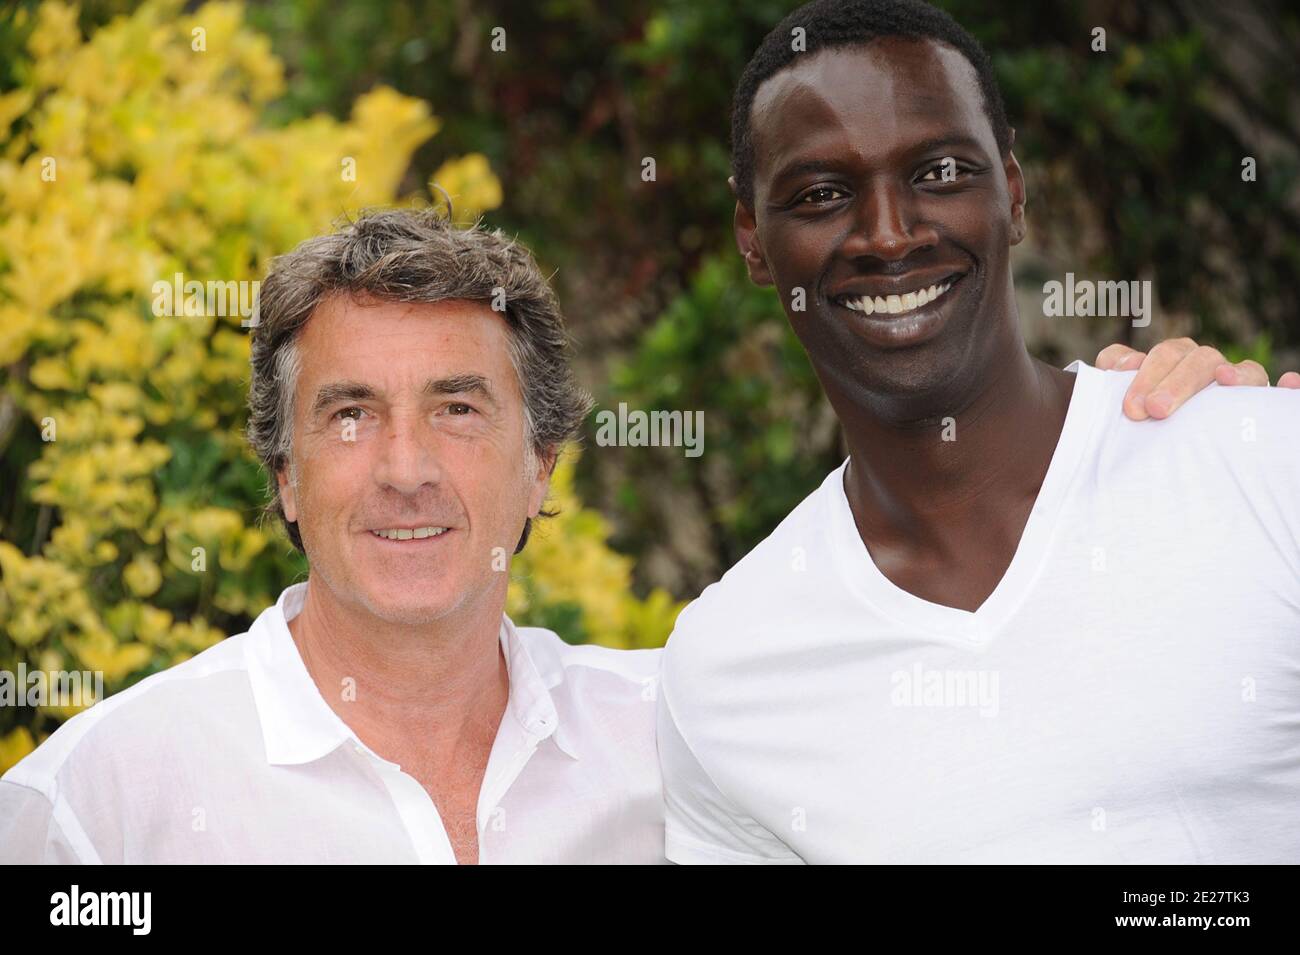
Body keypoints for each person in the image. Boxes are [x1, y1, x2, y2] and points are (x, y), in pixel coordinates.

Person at [657, 0, 1300, 864]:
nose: (888, 235)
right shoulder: (727, 669)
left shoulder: (1258, 465)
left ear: (1014, 192)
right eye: (822, 194)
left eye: (940, 173)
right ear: (754, 238)